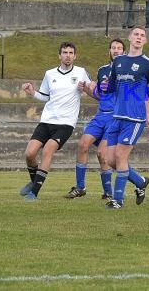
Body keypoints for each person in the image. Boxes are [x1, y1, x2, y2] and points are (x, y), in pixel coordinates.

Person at [104, 26, 149, 209]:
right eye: (136, 34)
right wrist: (100, 86)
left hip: (134, 119)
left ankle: (117, 200)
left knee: (120, 156)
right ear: (129, 37)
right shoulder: (118, 61)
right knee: (110, 160)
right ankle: (140, 182)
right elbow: (111, 87)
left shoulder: (148, 64)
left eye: (142, 35)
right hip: (116, 116)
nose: (139, 37)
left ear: (145, 41)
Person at [19, 42, 92, 201]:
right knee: (29, 154)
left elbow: (93, 90)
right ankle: (34, 182)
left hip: (65, 124)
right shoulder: (50, 74)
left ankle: (34, 193)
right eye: (65, 52)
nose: (68, 55)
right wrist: (32, 92)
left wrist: (85, 88)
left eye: (71, 52)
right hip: (46, 120)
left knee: (47, 150)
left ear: (75, 56)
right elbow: (45, 96)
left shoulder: (81, 73)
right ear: (59, 56)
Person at [64, 38, 125, 200]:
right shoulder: (102, 70)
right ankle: (80, 187)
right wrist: (86, 89)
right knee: (83, 144)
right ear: (109, 51)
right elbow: (100, 95)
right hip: (100, 116)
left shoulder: (127, 72)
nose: (116, 50)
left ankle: (108, 192)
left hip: (115, 117)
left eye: (119, 48)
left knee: (102, 154)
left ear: (123, 52)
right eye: (113, 48)